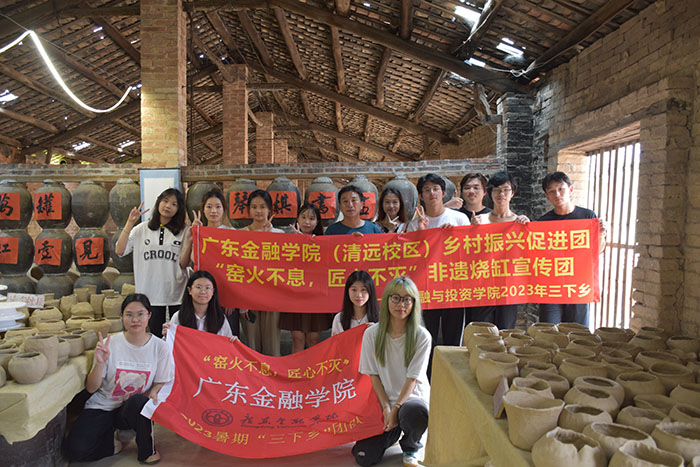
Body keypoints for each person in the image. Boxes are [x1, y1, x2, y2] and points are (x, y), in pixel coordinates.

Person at [64, 294, 174, 464]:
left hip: (131, 408)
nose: (135, 319)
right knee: (74, 451)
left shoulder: (160, 347)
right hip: (103, 405)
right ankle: (114, 442)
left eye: (140, 314)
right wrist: (100, 362)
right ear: (122, 316)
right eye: (129, 314)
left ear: (149, 316)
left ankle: (146, 451)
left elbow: (161, 381)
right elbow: (92, 388)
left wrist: (152, 394)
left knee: (140, 401)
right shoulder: (110, 343)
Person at [352, 276, 431, 467]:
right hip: (382, 402)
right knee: (364, 457)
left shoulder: (422, 337)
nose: (401, 304)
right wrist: (387, 408)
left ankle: (410, 445)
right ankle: (391, 433)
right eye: (395, 298)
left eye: (407, 299)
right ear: (386, 300)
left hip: (411, 399)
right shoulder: (372, 334)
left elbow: (413, 379)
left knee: (414, 413)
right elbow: (374, 375)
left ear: (413, 303)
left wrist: (395, 409)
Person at [406, 173, 469, 379]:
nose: (431, 193)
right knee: (426, 337)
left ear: (443, 193)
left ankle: (450, 381)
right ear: (421, 196)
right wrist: (422, 233)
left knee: (452, 339)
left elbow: (470, 254)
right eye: (426, 190)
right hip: (425, 291)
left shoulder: (459, 218)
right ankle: (428, 380)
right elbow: (410, 259)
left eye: (435, 189)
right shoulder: (414, 225)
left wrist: (454, 238)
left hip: (453, 291)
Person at [115, 188, 188, 339]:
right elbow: (119, 250)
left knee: (177, 338)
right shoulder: (141, 229)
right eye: (165, 201)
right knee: (153, 337)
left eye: (174, 204)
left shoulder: (184, 231)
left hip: (177, 291)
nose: (168, 206)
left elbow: (185, 263)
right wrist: (129, 223)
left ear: (179, 209)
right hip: (150, 293)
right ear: (158, 202)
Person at [537, 172, 608, 327]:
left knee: (577, 333)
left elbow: (597, 250)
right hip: (551, 287)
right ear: (547, 196)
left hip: (578, 285)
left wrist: (601, 235)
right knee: (548, 332)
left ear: (570, 189)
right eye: (551, 191)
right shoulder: (543, 222)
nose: (557, 194)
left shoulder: (587, 216)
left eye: (561, 189)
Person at [471, 171, 530, 330]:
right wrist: (472, 231)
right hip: (483, 287)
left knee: (505, 332)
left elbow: (528, 254)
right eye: (496, 190)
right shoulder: (480, 221)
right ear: (490, 193)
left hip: (508, 288)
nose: (501, 193)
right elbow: (469, 254)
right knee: (480, 331)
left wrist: (527, 229)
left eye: (506, 189)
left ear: (513, 193)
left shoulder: (520, 222)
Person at [179, 188, 240, 338]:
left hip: (226, 297)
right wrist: (190, 239)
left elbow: (238, 268)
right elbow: (183, 263)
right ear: (203, 210)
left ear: (224, 210)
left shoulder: (232, 233)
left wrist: (233, 299)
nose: (213, 211)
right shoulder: (197, 232)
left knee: (225, 339)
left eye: (218, 207)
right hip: (202, 295)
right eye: (209, 206)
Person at [280, 204, 334, 352]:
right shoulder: (289, 242)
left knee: (313, 338)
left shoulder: (324, 242)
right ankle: (295, 372)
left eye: (311, 218)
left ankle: (313, 373)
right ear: (297, 219)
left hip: (316, 296)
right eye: (303, 217)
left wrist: (309, 243)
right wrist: (298, 243)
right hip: (295, 295)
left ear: (317, 222)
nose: (307, 222)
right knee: (297, 338)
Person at [239, 189, 284, 356]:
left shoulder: (279, 235)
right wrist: (240, 303)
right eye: (254, 206)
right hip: (247, 297)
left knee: (273, 344)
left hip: (272, 296)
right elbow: (236, 269)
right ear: (248, 210)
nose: (258, 211)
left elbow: (285, 267)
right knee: (251, 345)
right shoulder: (239, 235)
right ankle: (253, 382)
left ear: (270, 210)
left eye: (263, 206)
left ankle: (272, 381)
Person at [163, 270, 236, 340]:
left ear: (213, 291)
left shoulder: (220, 317)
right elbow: (169, 344)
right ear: (189, 290)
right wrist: (167, 335)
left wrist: (234, 341)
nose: (203, 292)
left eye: (207, 288)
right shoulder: (179, 316)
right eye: (198, 287)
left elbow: (228, 343)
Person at [331, 270, 380, 336]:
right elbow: (335, 345)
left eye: (363, 290)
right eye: (354, 290)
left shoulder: (381, 317)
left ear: (370, 292)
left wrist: (377, 331)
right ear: (347, 292)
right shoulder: (339, 318)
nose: (359, 295)